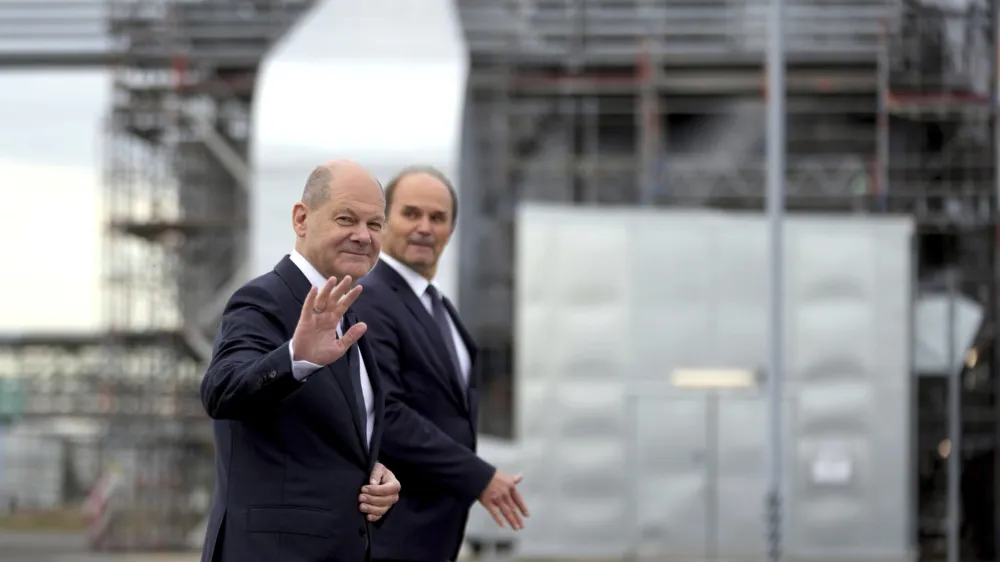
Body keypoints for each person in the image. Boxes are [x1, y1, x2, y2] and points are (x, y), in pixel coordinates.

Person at [199, 160, 401, 562]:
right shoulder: (262, 300)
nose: (363, 236)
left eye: (375, 225)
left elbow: (323, 441)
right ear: (301, 219)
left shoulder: (349, 318)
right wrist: (296, 358)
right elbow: (221, 390)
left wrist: (375, 473)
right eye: (347, 219)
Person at [353, 166, 529, 562]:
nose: (424, 227)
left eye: (438, 218)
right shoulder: (370, 298)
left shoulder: (438, 307)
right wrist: (479, 476)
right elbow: (386, 413)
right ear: (384, 221)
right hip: (391, 529)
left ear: (452, 229)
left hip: (435, 529)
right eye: (411, 214)